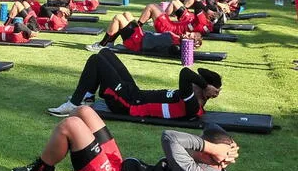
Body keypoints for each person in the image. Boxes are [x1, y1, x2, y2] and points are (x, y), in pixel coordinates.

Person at [10, 105, 238, 171]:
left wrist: (211, 146)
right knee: (84, 112)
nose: (195, 143)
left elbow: (170, 138)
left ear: (210, 156)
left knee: (71, 125)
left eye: (200, 144)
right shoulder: (209, 167)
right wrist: (217, 150)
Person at [47, 48, 221, 118]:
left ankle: (74, 104)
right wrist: (205, 86)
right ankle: (88, 98)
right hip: (134, 94)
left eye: (198, 84)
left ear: (204, 91)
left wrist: (205, 86)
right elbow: (190, 75)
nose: (193, 84)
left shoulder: (192, 105)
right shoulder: (191, 96)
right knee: (105, 53)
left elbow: (185, 73)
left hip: (128, 104)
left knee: (96, 60)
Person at [86, 12, 202, 53]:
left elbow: (178, 51)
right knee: (127, 14)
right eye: (188, 33)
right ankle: (110, 42)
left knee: (118, 18)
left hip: (137, 43)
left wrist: (191, 47)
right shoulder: (178, 38)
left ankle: (102, 45)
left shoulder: (178, 45)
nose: (186, 33)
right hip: (142, 35)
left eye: (189, 36)